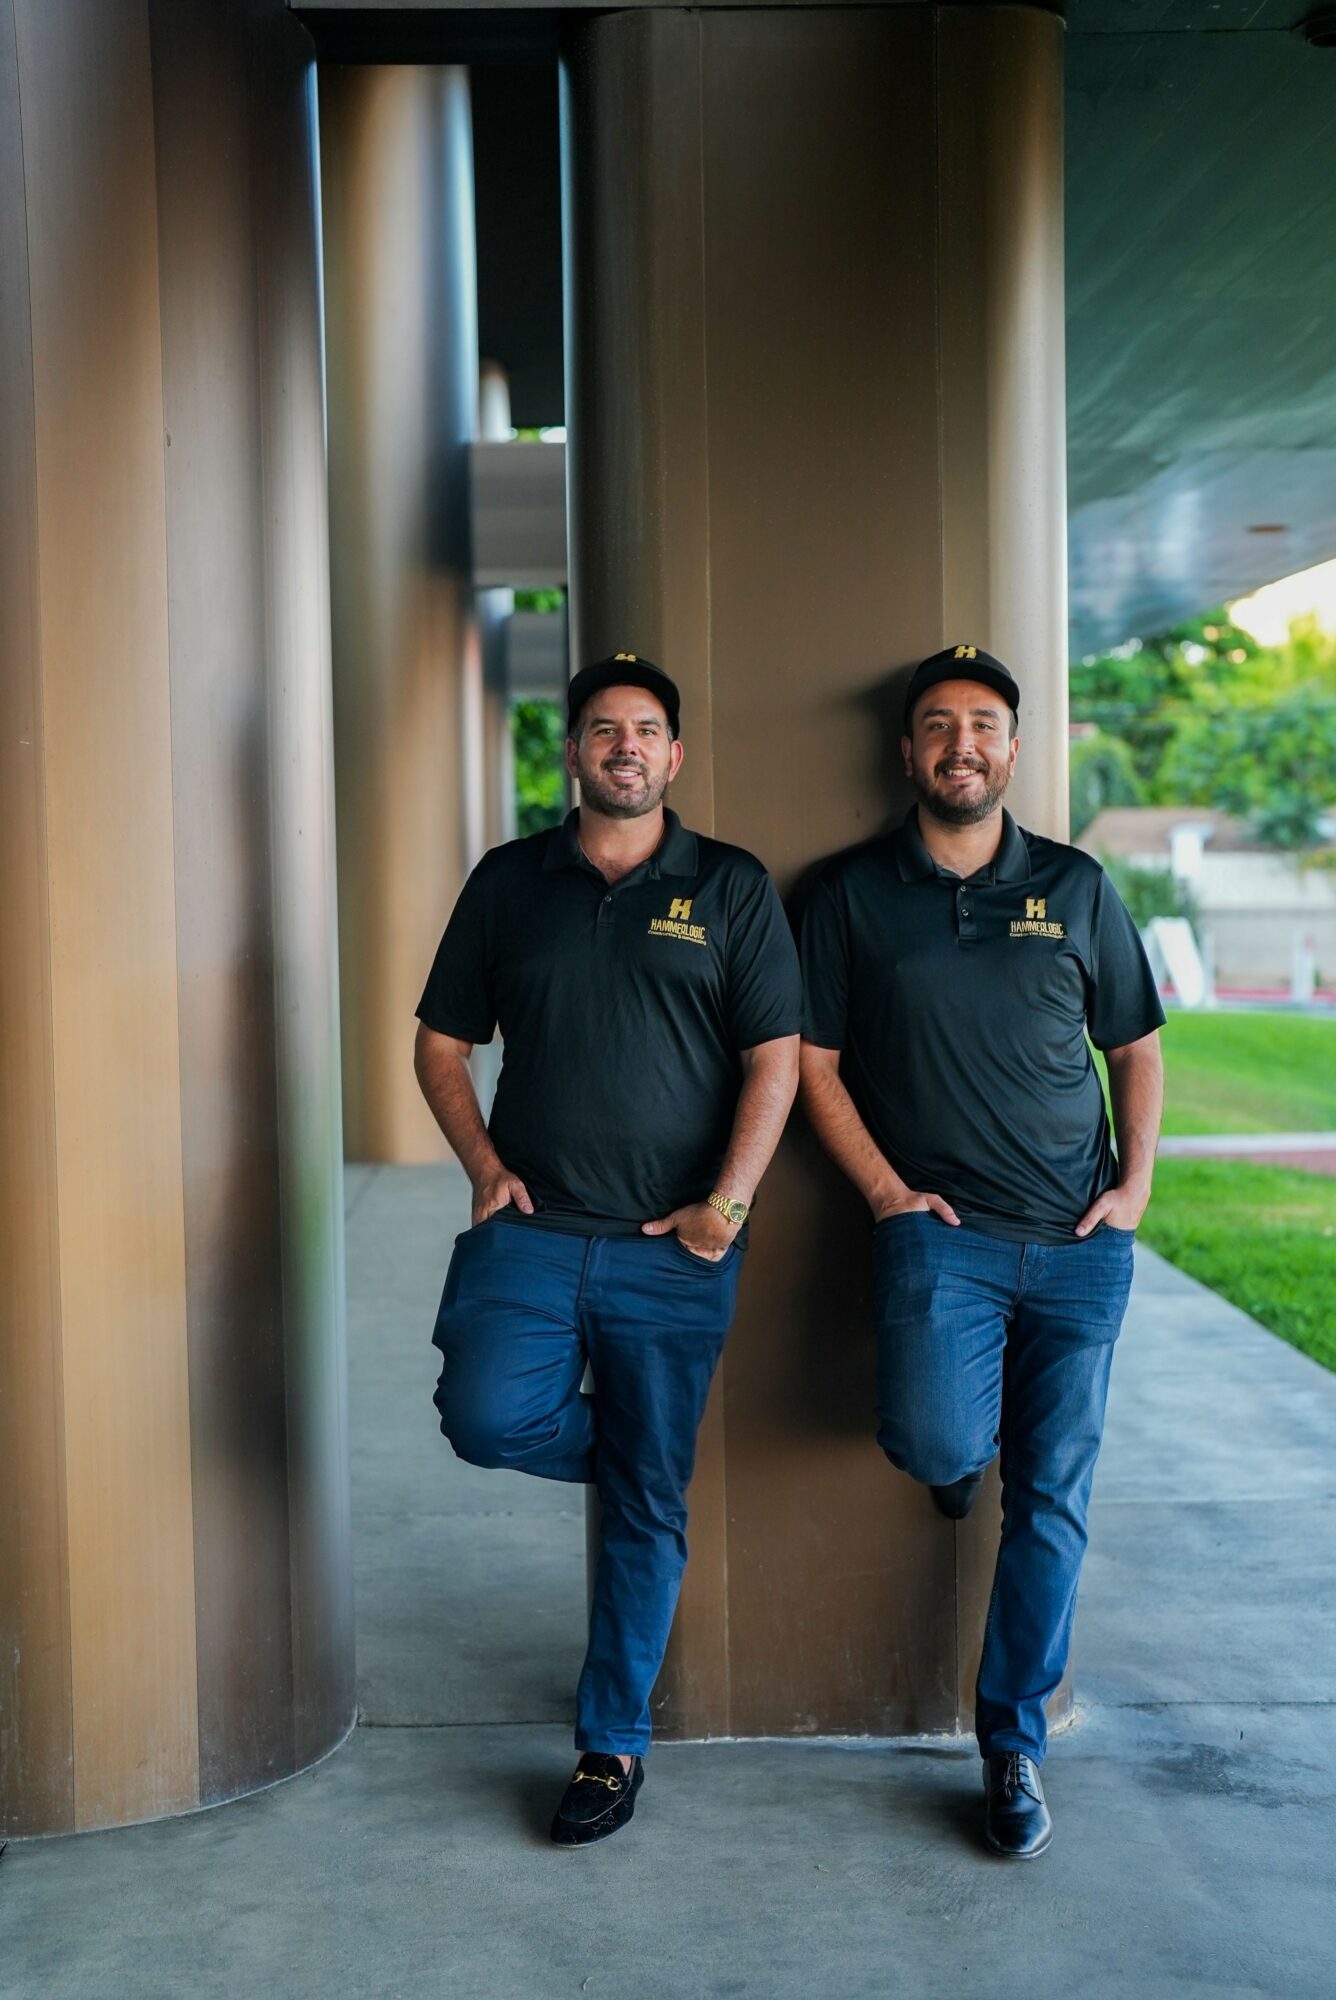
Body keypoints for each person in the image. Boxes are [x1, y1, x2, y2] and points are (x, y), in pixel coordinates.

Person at [414, 653, 800, 1847]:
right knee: (485, 1416)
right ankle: (646, 1462)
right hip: (531, 1230)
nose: (623, 745)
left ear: (673, 755)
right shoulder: (508, 880)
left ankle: (610, 1743)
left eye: (643, 729)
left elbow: (776, 1056)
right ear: (573, 752)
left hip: (673, 1249)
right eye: (600, 728)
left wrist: (726, 1205)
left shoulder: (730, 885)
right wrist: (483, 1166)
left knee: (642, 1500)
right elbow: (439, 1043)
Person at [799, 644, 1164, 1861]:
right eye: (939, 725)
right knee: (937, 1440)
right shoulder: (850, 894)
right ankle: (957, 1457)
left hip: (1077, 1245)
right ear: (906, 752)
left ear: (1013, 748)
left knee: (1051, 1499)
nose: (963, 743)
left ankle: (1011, 1744)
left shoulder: (1075, 885)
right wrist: (887, 1195)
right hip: (940, 1243)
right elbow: (812, 1062)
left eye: (984, 724)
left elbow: (1135, 1045)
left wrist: (1134, 1188)